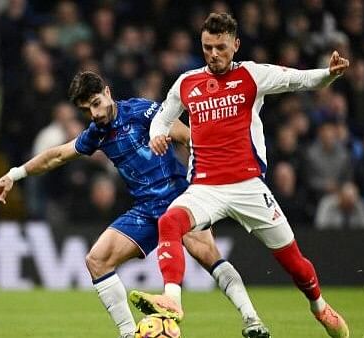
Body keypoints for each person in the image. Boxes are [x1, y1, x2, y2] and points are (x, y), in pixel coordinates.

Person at [0, 71, 269, 338]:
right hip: (146, 209)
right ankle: (129, 334)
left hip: (179, 199)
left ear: (107, 92)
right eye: (87, 110)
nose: (95, 114)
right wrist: (15, 174)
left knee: (208, 255)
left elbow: (188, 137)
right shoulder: (96, 133)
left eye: (97, 103)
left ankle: (252, 319)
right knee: (96, 261)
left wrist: (212, 177)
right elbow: (57, 155)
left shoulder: (142, 111)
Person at [130, 13, 350, 338]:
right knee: (169, 222)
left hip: (248, 186)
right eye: (207, 47)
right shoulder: (187, 83)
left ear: (235, 44)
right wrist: (157, 137)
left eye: (220, 47)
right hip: (205, 187)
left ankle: (319, 306)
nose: (214, 54)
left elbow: (300, 80)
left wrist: (328, 74)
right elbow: (161, 119)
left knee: (294, 263)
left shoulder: (252, 75)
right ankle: (172, 300)